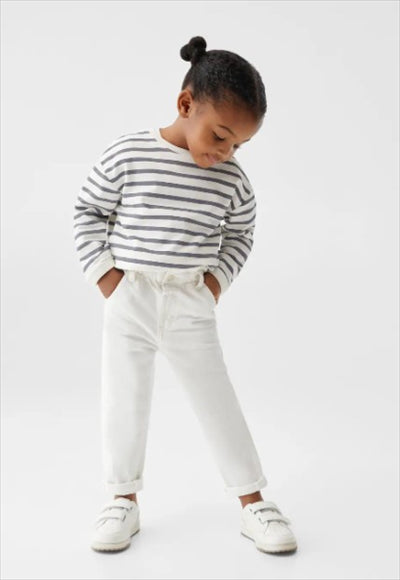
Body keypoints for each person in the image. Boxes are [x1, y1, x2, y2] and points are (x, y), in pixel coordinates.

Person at [73, 35, 297, 555]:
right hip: (129, 297)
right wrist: (107, 277)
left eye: (238, 145)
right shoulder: (128, 153)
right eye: (220, 136)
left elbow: (240, 233)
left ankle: (253, 502)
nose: (225, 153)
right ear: (185, 104)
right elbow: (89, 211)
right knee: (123, 398)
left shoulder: (231, 180)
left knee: (217, 400)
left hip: (190, 302)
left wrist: (215, 283)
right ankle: (122, 499)